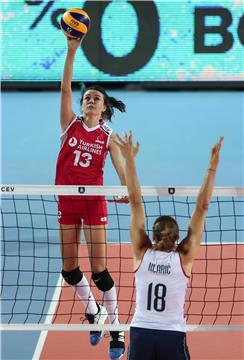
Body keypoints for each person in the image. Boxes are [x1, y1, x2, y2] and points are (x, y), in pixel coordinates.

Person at [115, 131, 224, 360]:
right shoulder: (183, 257)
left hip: (141, 333)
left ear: (152, 236)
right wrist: (212, 167)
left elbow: (134, 202)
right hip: (172, 336)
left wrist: (130, 159)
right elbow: (202, 207)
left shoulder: (142, 253)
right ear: (177, 238)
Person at [55, 36, 126, 360]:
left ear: (104, 108)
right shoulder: (69, 125)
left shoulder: (108, 136)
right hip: (66, 200)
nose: (89, 102)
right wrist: (71, 51)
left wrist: (126, 189)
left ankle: (115, 327)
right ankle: (93, 310)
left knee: (99, 270)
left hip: (94, 201)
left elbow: (121, 169)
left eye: (95, 99)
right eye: (86, 98)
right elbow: (66, 89)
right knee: (69, 269)